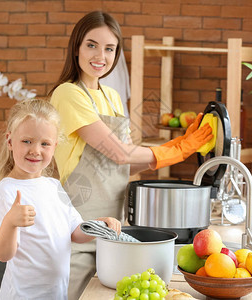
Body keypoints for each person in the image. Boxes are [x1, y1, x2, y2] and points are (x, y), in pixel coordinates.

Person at [48, 11, 213, 299]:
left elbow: (127, 165)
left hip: (114, 233)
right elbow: (120, 153)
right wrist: (179, 148)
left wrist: (179, 147)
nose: (100, 55)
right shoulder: (67, 94)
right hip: (80, 232)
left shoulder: (111, 96)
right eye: (91, 45)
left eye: (109, 48)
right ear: (76, 48)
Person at [0, 99, 121, 300]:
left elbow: (75, 231)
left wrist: (101, 226)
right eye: (27, 141)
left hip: (56, 294)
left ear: (54, 146)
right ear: (10, 141)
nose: (35, 150)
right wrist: (10, 223)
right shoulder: (6, 191)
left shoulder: (53, 186)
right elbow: (2, 254)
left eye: (44, 143)